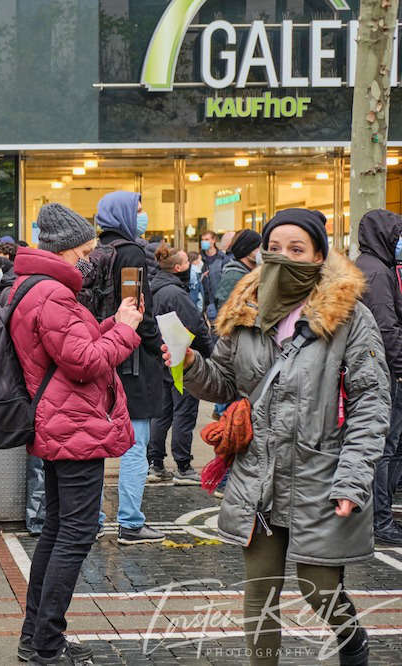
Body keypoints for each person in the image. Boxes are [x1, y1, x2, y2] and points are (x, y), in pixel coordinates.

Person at [169, 208, 388, 666]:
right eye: (273, 248)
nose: (282, 257)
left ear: (318, 255)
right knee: (259, 594)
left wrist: (353, 479)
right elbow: (225, 383)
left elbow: (371, 405)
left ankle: (350, 638)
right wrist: (188, 364)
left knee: (319, 587)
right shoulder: (245, 308)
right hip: (259, 476)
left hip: (322, 477)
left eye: (296, 249)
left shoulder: (351, 316)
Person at [9, 203, 143, 665]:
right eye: (85, 251)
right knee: (75, 532)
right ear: (66, 250)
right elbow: (83, 362)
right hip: (73, 425)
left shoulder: (38, 289)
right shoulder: (51, 294)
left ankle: (36, 638)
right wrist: (124, 332)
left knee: (57, 529)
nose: (90, 260)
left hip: (63, 421)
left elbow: (70, 349)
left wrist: (111, 323)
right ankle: (47, 644)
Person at [94, 192, 165, 545]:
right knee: (135, 443)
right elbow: (138, 309)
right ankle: (131, 523)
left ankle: (91, 520)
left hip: (99, 353)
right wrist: (160, 343)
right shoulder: (131, 253)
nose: (143, 215)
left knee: (93, 443)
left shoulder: (94, 251)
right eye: (138, 210)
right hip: (131, 361)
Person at [355, 209, 402, 546]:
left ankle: (379, 514)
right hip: (383, 371)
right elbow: (387, 328)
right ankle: (380, 519)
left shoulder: (369, 267)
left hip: (376, 367)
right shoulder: (377, 273)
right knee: (385, 446)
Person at [147, 244, 212, 485]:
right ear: (177, 268)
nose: (190, 267)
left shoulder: (154, 288)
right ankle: (183, 466)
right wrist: (210, 353)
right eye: (187, 263)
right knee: (183, 413)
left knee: (162, 414)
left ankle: (155, 463)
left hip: (160, 359)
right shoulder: (176, 294)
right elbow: (196, 326)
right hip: (180, 360)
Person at [214, 230, 262, 306]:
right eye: (258, 247)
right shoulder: (233, 276)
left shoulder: (253, 272)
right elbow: (225, 308)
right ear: (247, 249)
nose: (261, 251)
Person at [200, 230, 225, 320]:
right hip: (203, 301)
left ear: (213, 240)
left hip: (218, 301)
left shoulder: (222, 258)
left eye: (207, 239)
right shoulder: (199, 259)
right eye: (202, 240)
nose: (204, 242)